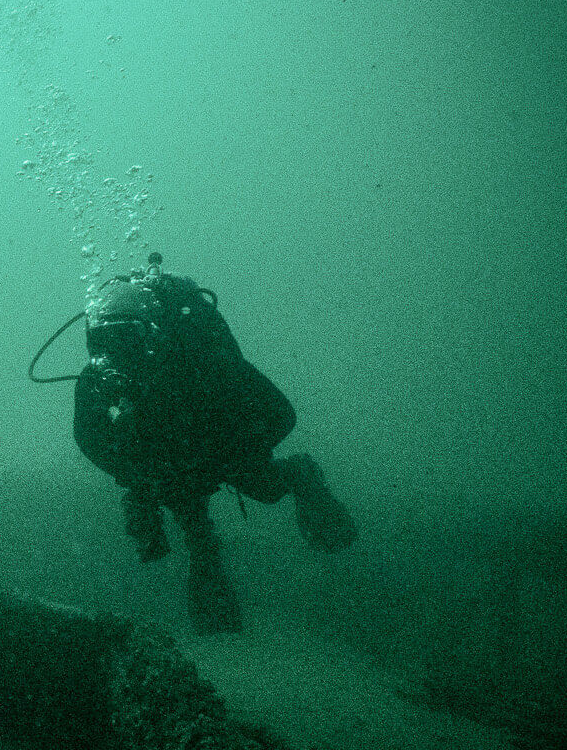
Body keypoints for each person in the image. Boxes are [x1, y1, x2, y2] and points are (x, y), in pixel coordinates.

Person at [68, 254, 356, 632]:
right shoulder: (99, 375)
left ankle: (300, 476)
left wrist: (228, 455)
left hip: (224, 443)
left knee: (265, 488)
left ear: (149, 333)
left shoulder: (203, 355)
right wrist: (138, 478)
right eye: (102, 341)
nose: (114, 354)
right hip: (169, 458)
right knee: (194, 526)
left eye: (126, 339)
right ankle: (214, 596)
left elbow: (280, 413)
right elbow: (90, 439)